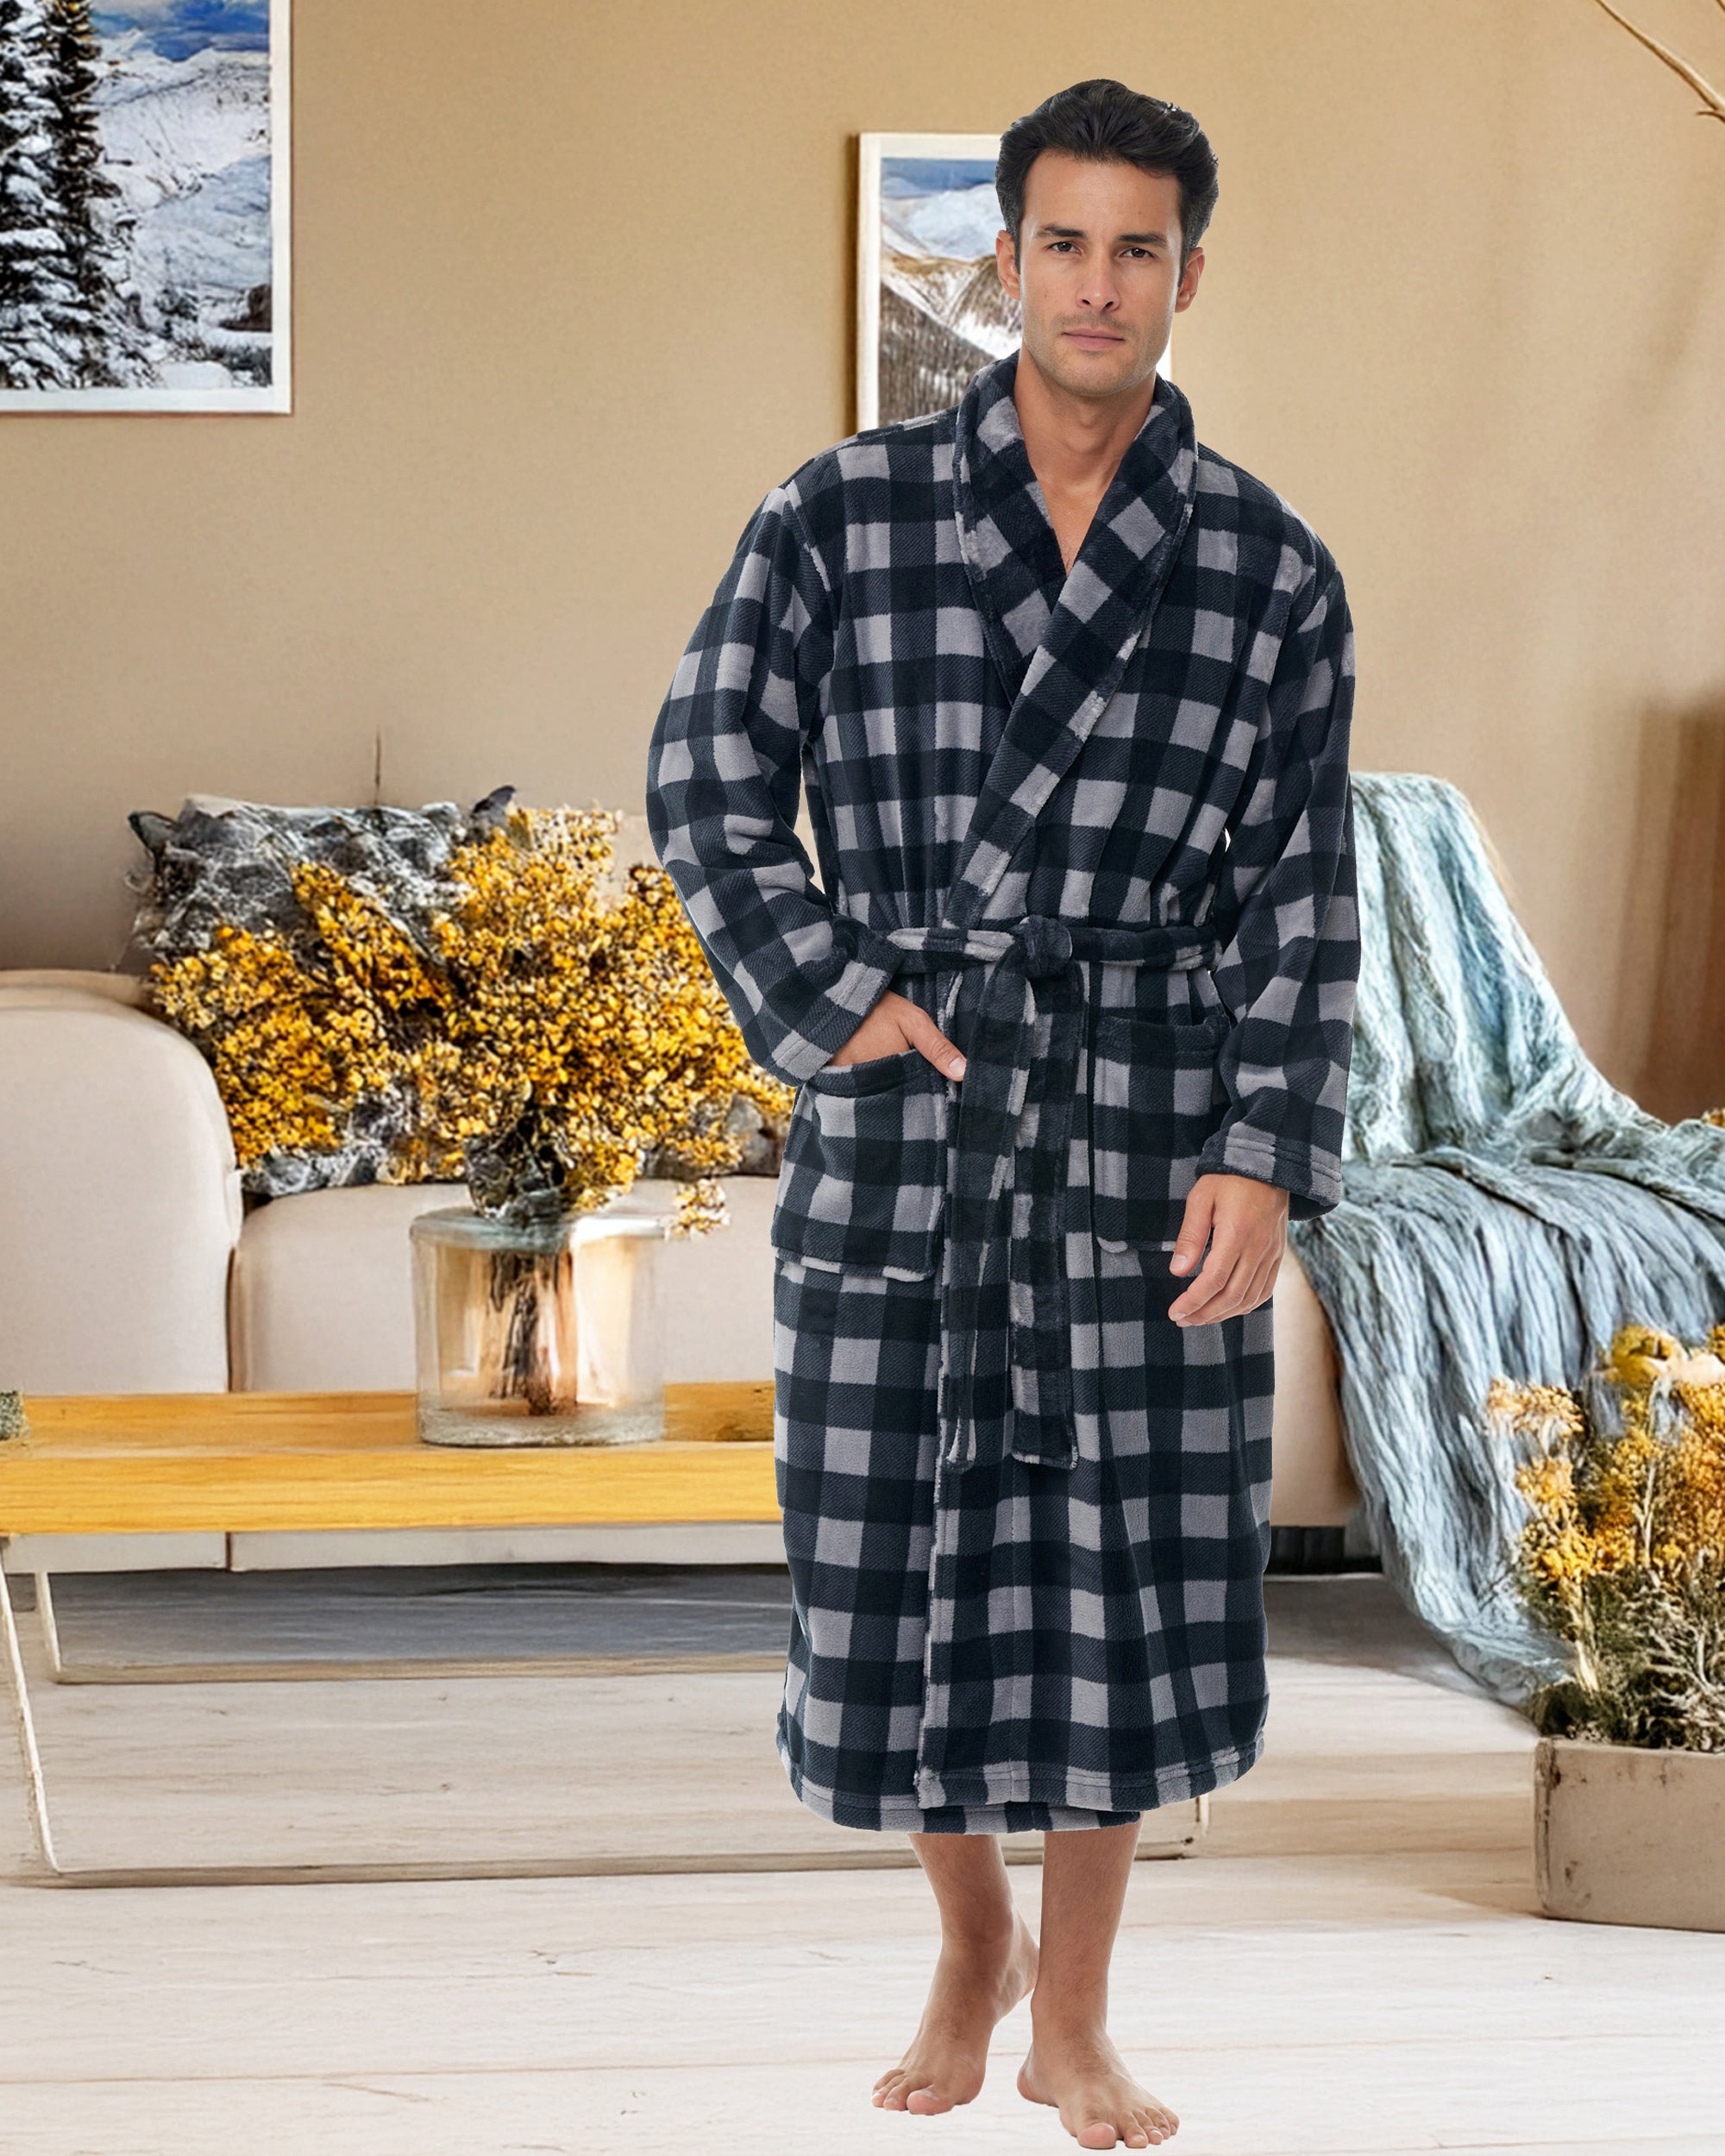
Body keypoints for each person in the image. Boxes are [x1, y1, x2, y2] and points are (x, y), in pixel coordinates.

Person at [645, 76, 1359, 2153]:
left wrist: (1263, 1145)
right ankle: (970, 1939)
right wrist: (833, 994)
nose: (1097, 284)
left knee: (1116, 1569)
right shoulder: (839, 512)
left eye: (1139, 247)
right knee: (895, 1551)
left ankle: (1077, 2008)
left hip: (1147, 1107)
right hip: (914, 1106)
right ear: (1004, 259)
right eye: (1063, 241)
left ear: (1190, 272)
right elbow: (703, 777)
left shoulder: (1264, 565)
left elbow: (1301, 883)